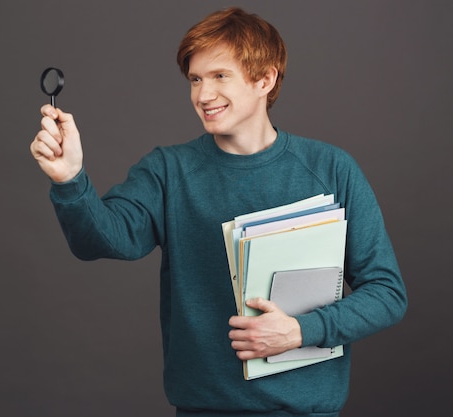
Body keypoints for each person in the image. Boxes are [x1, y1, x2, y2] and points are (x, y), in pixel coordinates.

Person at [31, 7, 407, 417]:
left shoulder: (332, 169)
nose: (202, 95)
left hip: (308, 411)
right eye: (195, 79)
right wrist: (70, 179)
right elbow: (100, 239)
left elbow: (386, 293)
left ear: (265, 79)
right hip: (203, 409)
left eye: (219, 76)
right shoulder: (167, 170)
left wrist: (302, 330)